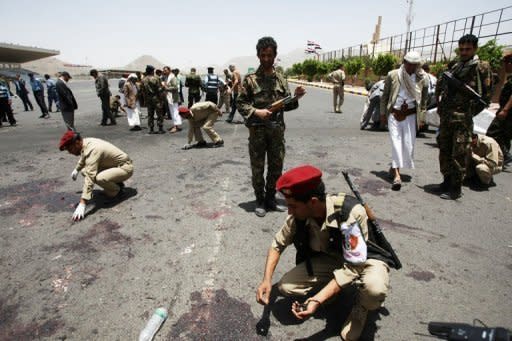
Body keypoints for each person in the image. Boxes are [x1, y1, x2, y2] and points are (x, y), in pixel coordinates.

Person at [255, 165, 390, 341]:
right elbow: (277, 244)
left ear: (312, 202)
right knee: (286, 286)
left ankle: (360, 307)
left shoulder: (349, 213)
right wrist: (266, 280)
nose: (289, 211)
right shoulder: (300, 214)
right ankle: (332, 292)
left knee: (374, 290)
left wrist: (316, 300)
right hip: (334, 259)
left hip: (363, 260)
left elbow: (353, 268)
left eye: (293, 206)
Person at [237, 36, 306, 217]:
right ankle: (260, 200)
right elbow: (241, 103)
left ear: (275, 55)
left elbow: (287, 105)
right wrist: (256, 112)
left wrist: (296, 98)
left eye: (269, 55)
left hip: (276, 131)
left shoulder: (281, 78)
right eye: (263, 55)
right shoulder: (250, 80)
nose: (266, 59)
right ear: (258, 55)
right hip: (258, 131)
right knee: (258, 168)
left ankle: (271, 199)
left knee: (276, 167)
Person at [435, 34, 491, 200]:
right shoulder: (454, 66)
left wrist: (468, 113)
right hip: (446, 117)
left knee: (459, 153)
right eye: (461, 49)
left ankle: (455, 188)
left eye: (468, 49)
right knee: (444, 150)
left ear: (475, 49)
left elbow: (485, 98)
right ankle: (446, 181)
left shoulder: (481, 67)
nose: (464, 52)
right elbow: (442, 86)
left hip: (463, 120)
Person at [59, 130, 134, 221]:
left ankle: (117, 192)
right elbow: (84, 157)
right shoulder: (85, 142)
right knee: (84, 171)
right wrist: (77, 169)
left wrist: (83, 203)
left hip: (125, 168)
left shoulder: (92, 149)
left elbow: (90, 177)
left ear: (77, 142)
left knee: (99, 178)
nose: (70, 152)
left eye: (70, 149)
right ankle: (117, 184)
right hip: (114, 166)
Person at [380, 51, 428, 190]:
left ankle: (393, 167)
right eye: (409, 64)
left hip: (411, 115)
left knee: (407, 145)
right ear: (404, 62)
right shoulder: (393, 74)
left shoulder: (423, 78)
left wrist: (422, 118)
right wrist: (383, 114)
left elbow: (424, 101)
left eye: (414, 65)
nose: (411, 67)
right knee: (396, 143)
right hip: (394, 114)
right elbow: (385, 96)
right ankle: (397, 176)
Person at [487, 52, 512, 165]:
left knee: (493, 131)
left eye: (506, 63)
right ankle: (503, 156)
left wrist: (505, 110)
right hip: (506, 110)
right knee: (505, 134)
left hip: (507, 111)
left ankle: (505, 154)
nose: (505, 66)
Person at [141, 65, 166, 134]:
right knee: (159, 113)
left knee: (150, 114)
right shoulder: (156, 78)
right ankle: (160, 128)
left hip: (148, 99)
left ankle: (151, 129)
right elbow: (159, 89)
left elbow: (143, 91)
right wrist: (163, 88)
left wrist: (145, 100)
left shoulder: (143, 80)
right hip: (156, 98)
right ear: (152, 71)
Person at [163, 67, 182, 133]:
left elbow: (175, 87)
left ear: (169, 70)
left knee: (175, 112)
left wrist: (166, 88)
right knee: (173, 112)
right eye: (164, 70)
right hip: (170, 97)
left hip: (173, 97)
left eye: (165, 70)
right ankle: (175, 125)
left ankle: (175, 126)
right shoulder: (167, 77)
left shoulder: (172, 77)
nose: (164, 71)